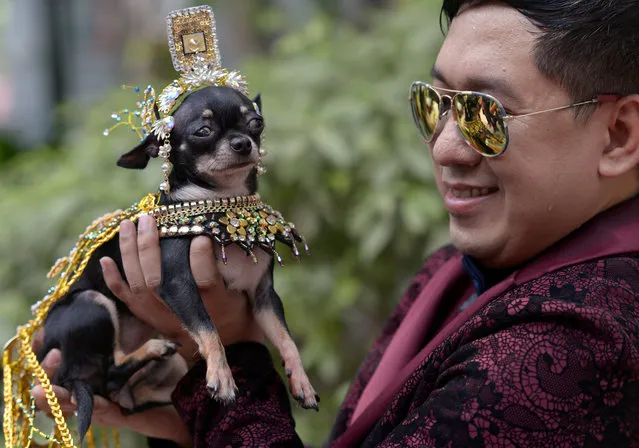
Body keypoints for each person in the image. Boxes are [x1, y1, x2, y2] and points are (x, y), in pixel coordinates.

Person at [33, 0, 639, 446]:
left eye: (487, 113)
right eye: (435, 104)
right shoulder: (458, 271)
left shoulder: (584, 342)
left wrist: (226, 353)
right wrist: (195, 422)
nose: (447, 148)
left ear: (619, 134)